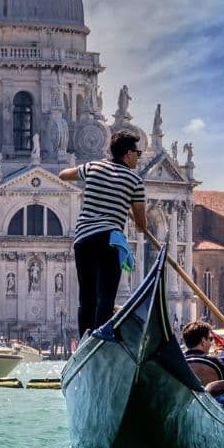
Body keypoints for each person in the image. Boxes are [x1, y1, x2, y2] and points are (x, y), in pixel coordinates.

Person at [59, 132, 147, 338]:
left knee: (86, 296)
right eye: (138, 153)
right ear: (128, 154)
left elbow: (64, 175)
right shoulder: (134, 181)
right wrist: (125, 206)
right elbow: (142, 224)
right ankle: (101, 339)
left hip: (83, 239)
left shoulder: (93, 167)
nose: (138, 157)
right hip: (108, 239)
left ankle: (85, 340)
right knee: (105, 296)